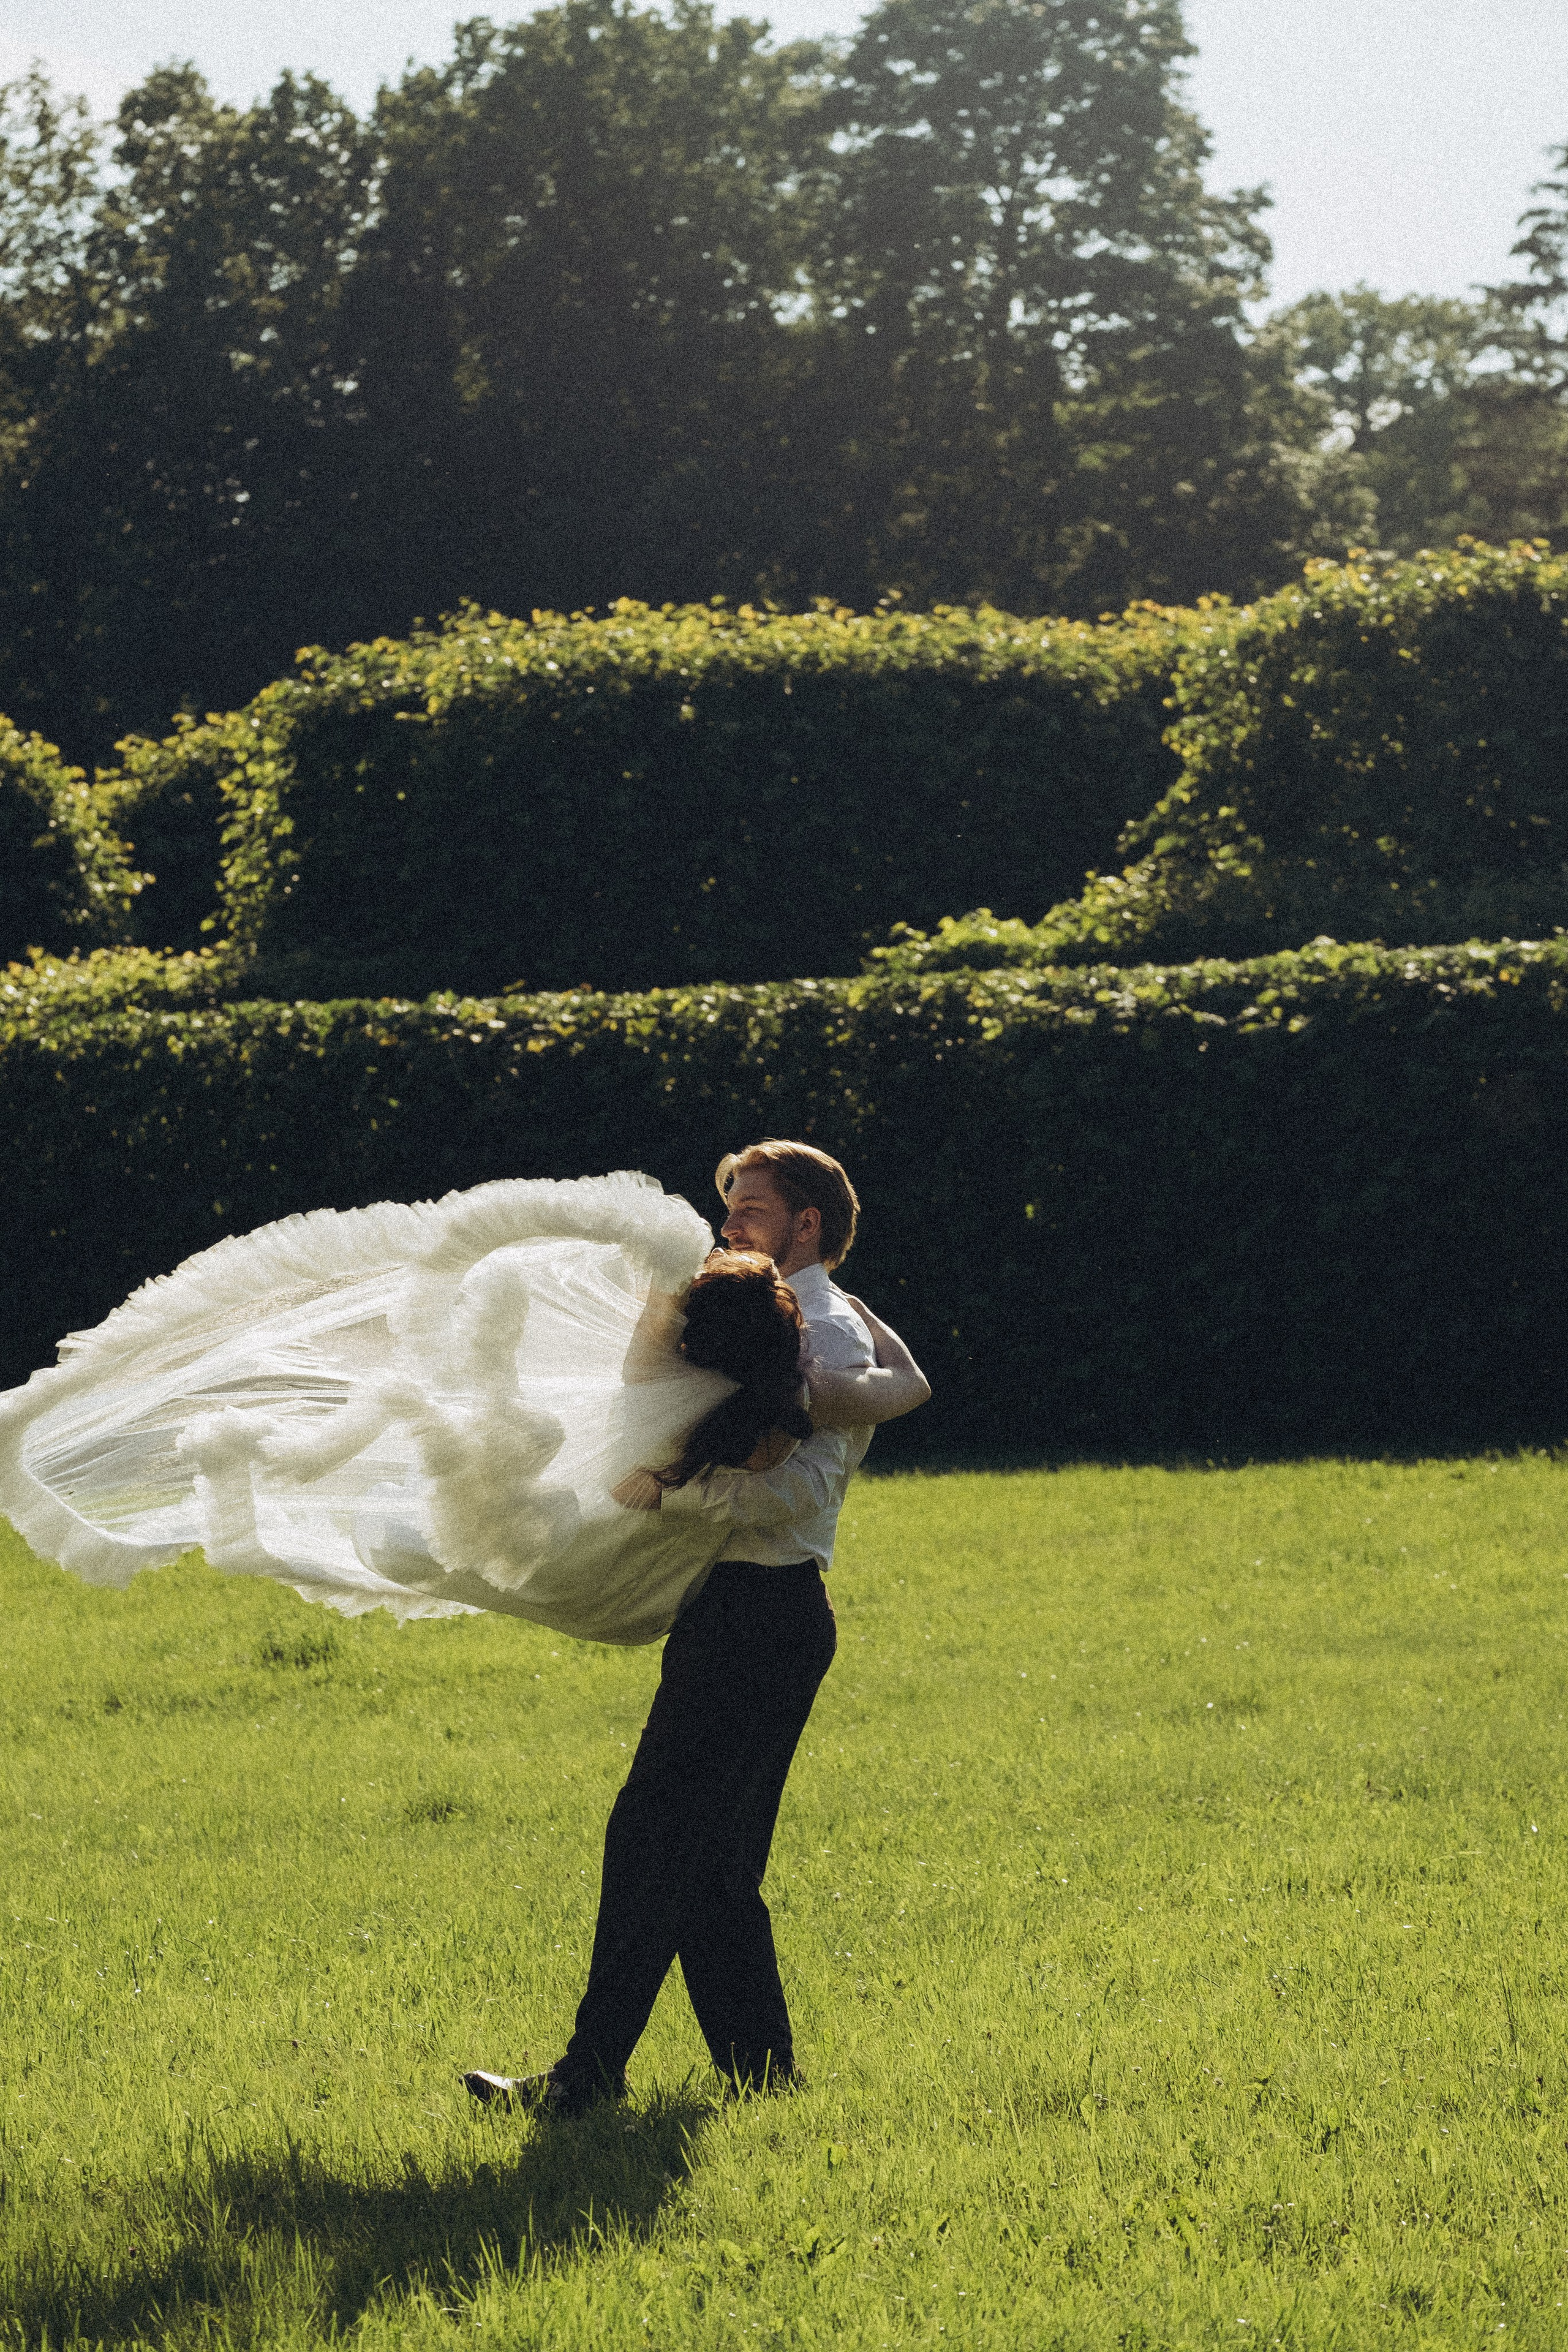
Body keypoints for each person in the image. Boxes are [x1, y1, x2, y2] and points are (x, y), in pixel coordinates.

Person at [464, 1139, 929, 2116]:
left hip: (766, 1614)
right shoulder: (752, 1311)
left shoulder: (824, 1332)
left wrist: (670, 1493)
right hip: (742, 1616)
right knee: (713, 1870)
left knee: (652, 1838)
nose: (729, 1225)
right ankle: (764, 2082)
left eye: (752, 1210)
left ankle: (586, 2080)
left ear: (808, 1225)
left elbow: (794, 1494)